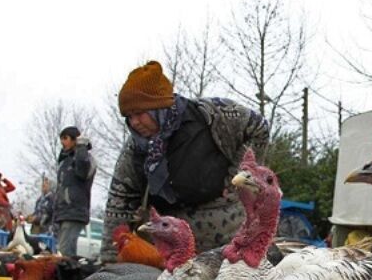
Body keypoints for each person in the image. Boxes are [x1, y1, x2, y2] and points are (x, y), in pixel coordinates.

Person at [100, 61, 270, 261]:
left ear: (159, 108)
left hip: (226, 237)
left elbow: (258, 127)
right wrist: (108, 260)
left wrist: (238, 177)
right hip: (171, 247)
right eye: (128, 116)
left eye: (139, 113)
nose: (135, 122)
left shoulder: (211, 115)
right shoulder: (135, 149)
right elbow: (118, 202)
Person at [53, 127, 96, 257]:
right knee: (61, 251)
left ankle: (67, 276)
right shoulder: (64, 161)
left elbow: (83, 172)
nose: (62, 142)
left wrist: (81, 148)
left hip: (74, 211)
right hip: (62, 211)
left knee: (65, 252)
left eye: (65, 138)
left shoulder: (86, 159)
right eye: (61, 138)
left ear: (75, 139)